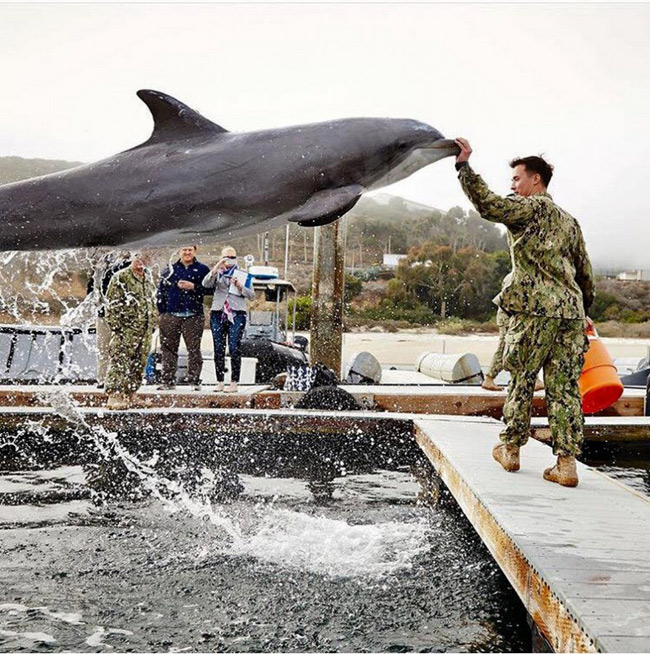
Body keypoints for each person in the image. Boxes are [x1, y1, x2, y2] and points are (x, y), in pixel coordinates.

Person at [454, 139, 594, 487]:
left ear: (536, 180)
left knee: (522, 377)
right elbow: (584, 272)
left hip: (533, 310)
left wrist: (463, 167)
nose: (513, 185)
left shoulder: (529, 209)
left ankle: (511, 449)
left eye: (517, 179)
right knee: (564, 388)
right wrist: (585, 310)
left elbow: (488, 205)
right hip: (570, 313)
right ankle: (566, 464)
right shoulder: (570, 221)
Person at [104, 251, 157, 409]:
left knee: (139, 363)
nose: (142, 260)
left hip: (145, 330)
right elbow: (111, 305)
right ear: (133, 257)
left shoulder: (148, 278)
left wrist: (153, 321)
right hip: (126, 329)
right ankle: (114, 396)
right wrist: (118, 329)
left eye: (146, 257)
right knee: (120, 362)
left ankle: (131, 394)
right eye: (139, 257)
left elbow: (151, 302)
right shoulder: (121, 277)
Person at [156, 245, 211, 390]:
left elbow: (210, 290)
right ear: (179, 251)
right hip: (171, 315)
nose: (187, 252)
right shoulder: (169, 269)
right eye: (184, 249)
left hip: (194, 315)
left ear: (195, 251)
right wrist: (162, 313)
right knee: (168, 349)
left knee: (194, 349)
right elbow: (160, 291)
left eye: (190, 250)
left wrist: (193, 287)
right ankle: (167, 380)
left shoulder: (203, 270)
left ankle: (194, 380)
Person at [202, 246, 255, 393]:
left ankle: (234, 382)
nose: (230, 260)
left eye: (233, 257)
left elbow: (251, 295)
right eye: (227, 257)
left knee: (234, 347)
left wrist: (239, 286)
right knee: (218, 348)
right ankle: (219, 381)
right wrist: (216, 268)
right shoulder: (217, 274)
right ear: (222, 257)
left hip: (237, 313)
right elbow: (205, 284)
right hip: (218, 312)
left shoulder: (243, 274)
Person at [86, 250, 131, 388]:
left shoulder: (129, 268)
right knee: (103, 348)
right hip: (103, 315)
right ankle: (102, 379)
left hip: (122, 316)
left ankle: (120, 379)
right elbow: (91, 290)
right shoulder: (101, 269)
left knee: (121, 349)